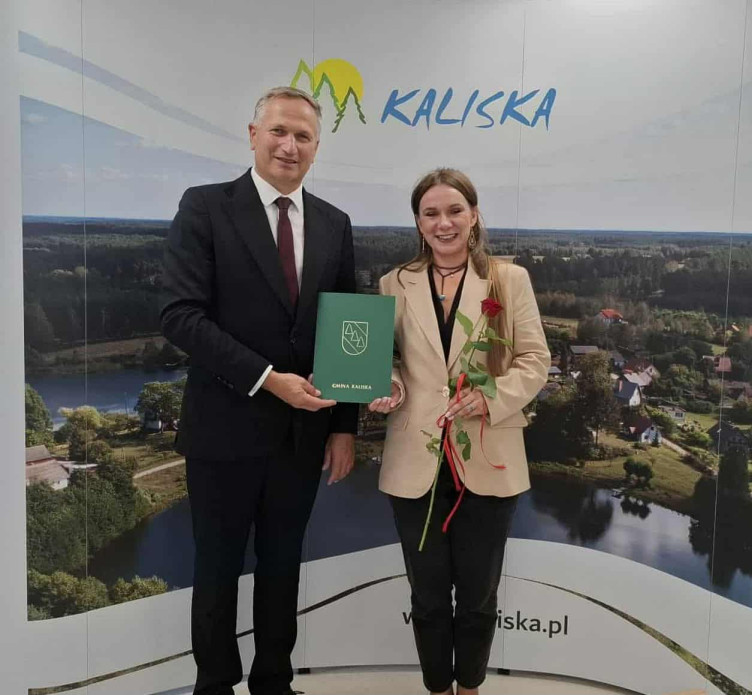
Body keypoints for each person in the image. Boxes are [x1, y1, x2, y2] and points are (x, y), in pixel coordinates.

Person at [161, 86, 358, 695]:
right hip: (223, 432)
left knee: (282, 569)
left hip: (302, 438)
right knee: (217, 572)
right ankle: (214, 685)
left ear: (316, 147)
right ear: (253, 136)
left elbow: (346, 331)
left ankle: (274, 682)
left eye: (303, 136)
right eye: (278, 131)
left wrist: (344, 427)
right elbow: (180, 316)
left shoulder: (335, 223)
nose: (289, 145)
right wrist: (268, 380)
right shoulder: (205, 207)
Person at [368, 168, 550, 695]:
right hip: (414, 461)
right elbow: (388, 361)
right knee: (426, 598)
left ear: (474, 216)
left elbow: (535, 360)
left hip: (489, 459)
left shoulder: (508, 280)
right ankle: (437, 690)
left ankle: (469, 688)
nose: (443, 223)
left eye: (454, 211)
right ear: (418, 222)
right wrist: (389, 383)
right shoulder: (393, 283)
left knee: (477, 597)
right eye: (431, 213)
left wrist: (490, 396)